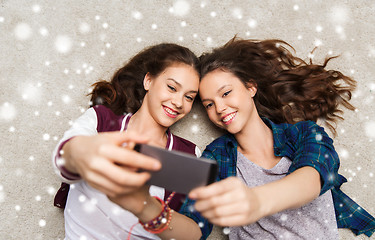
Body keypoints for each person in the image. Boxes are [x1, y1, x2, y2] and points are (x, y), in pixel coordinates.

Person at [180, 37, 375, 239]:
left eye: (226, 93)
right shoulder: (217, 156)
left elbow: (313, 178)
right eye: (209, 104)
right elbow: (193, 227)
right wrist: (153, 212)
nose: (219, 108)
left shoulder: (305, 133)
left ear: (250, 87)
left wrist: (255, 201)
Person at [52, 43, 202, 239]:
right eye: (172, 87)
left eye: (189, 97)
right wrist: (84, 152)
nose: (179, 102)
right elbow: (63, 159)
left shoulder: (189, 155)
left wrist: (146, 207)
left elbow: (195, 234)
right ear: (148, 81)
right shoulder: (101, 121)